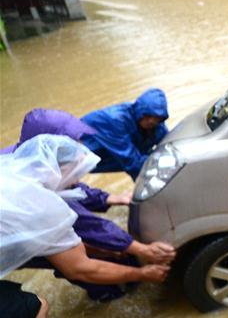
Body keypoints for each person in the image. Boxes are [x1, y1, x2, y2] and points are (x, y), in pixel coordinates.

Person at [0, 135, 169, 318]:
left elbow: (63, 243)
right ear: (58, 171)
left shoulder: (11, 169)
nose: (78, 183)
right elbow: (82, 267)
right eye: (76, 175)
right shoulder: (40, 205)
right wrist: (143, 273)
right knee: (24, 311)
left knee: (28, 303)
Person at [1, 108, 175, 301]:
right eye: (77, 171)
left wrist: (107, 198)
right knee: (37, 306)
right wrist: (141, 263)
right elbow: (81, 259)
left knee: (88, 248)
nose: (78, 180)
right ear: (52, 163)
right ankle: (110, 296)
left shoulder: (21, 159)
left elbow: (68, 187)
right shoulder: (39, 203)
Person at [81, 88, 169, 180]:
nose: (151, 121)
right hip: (85, 152)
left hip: (112, 152)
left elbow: (168, 145)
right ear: (140, 110)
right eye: (148, 116)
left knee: (157, 158)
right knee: (143, 163)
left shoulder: (157, 126)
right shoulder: (116, 120)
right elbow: (131, 162)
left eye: (156, 118)